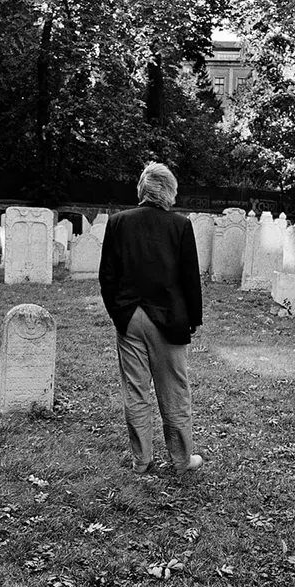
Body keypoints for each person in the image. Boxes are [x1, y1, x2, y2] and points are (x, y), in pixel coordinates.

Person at [99, 162, 204, 475]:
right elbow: (189, 278)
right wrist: (193, 319)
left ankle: (142, 460)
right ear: (169, 191)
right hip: (168, 320)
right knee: (174, 390)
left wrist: (119, 313)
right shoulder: (180, 225)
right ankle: (182, 460)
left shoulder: (117, 223)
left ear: (143, 190)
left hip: (130, 317)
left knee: (136, 389)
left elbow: (107, 277)